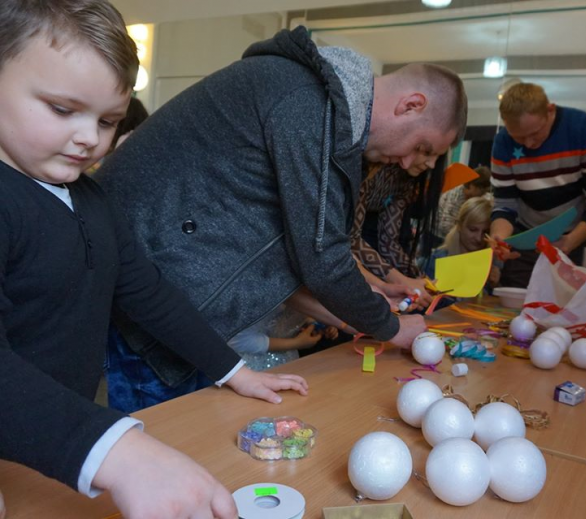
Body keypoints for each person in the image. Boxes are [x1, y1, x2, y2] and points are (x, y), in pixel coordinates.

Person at [0, 2, 307, 518]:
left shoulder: (89, 197)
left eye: (107, 121)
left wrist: (232, 369)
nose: (89, 138)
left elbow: (148, 291)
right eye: (61, 109)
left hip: (49, 442)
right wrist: (115, 450)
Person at [95, 26, 468, 407]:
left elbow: (298, 258)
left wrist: (373, 298)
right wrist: (391, 327)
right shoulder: (309, 104)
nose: (408, 163)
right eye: (421, 146)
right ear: (411, 105)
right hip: (150, 295)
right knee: (162, 441)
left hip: (176, 299)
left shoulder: (324, 110)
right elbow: (322, 261)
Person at [489, 82, 586, 288]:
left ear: (550, 110)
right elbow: (505, 205)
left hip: (578, 237)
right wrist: (501, 238)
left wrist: (571, 241)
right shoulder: (502, 142)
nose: (529, 144)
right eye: (518, 137)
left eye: (535, 133)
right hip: (527, 238)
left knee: (573, 307)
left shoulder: (583, 129)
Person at [351, 155, 445, 300]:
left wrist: (421, 278)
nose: (431, 164)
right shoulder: (372, 169)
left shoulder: (405, 181)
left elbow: (388, 242)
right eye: (426, 151)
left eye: (437, 158)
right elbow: (353, 239)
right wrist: (401, 280)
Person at [423, 196, 494, 280]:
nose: (479, 238)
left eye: (485, 232)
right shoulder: (439, 258)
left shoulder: (492, 262)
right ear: (459, 225)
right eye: (473, 230)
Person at [435, 165, 491, 243]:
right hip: (439, 237)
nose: (483, 193)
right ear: (472, 185)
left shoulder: (484, 197)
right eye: (481, 190)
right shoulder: (455, 195)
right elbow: (445, 226)